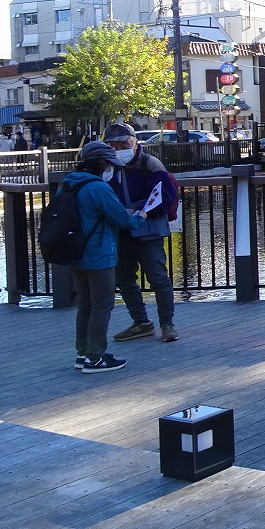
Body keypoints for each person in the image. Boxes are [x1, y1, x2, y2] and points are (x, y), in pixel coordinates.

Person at [62, 142, 146, 373]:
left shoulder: (70, 183)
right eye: (110, 164)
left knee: (85, 305)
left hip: (76, 253)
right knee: (102, 305)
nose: (112, 169)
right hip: (98, 255)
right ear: (102, 164)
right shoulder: (98, 188)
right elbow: (123, 220)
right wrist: (140, 216)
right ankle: (96, 358)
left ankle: (83, 353)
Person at [102, 122, 182, 344]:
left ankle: (167, 324)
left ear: (135, 143)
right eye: (113, 146)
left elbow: (165, 196)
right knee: (124, 279)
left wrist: (139, 210)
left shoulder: (151, 164)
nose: (119, 150)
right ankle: (141, 322)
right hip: (120, 232)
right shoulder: (108, 168)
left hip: (148, 231)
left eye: (123, 145)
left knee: (158, 278)